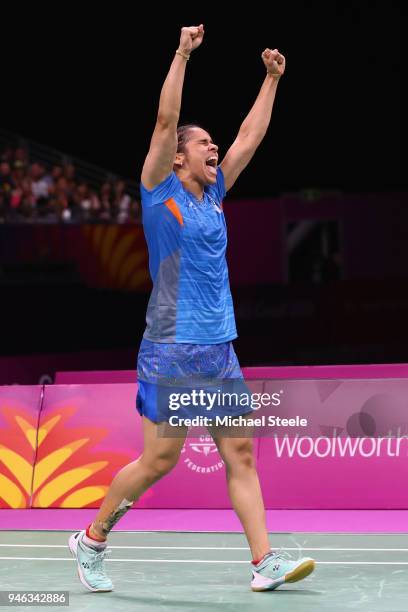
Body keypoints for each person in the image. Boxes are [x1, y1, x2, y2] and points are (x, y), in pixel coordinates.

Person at [69, 24, 315, 593]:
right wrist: (181, 54)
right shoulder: (161, 192)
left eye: (213, 145)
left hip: (219, 347)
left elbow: (250, 138)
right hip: (171, 347)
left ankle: (264, 563)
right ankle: (92, 539)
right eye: (204, 144)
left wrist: (272, 80)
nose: (215, 149)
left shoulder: (216, 193)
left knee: (241, 456)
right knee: (158, 462)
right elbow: (163, 122)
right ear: (177, 159)